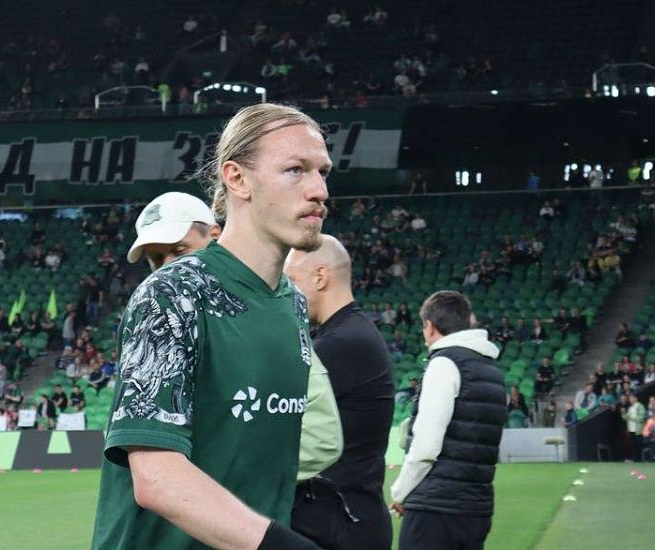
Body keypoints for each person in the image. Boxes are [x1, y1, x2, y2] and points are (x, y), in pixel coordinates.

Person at [91, 103, 332, 549]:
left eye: (323, 172)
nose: (319, 190)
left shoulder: (294, 303)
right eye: (295, 170)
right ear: (237, 179)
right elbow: (157, 476)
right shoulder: (173, 293)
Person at [126, 189, 343, 489]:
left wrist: (220, 487)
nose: (168, 268)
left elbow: (320, 437)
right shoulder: (158, 320)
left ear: (215, 236)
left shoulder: (270, 310)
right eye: (156, 259)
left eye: (179, 251)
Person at [285, 235, 395, 550]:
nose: (286, 292)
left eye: (291, 281)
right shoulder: (354, 333)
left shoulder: (339, 345)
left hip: (338, 524)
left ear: (320, 277)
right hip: (353, 517)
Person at [390, 291, 506, 550]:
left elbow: (426, 447)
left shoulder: (444, 364)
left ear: (430, 327)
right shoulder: (492, 371)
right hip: (477, 508)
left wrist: (400, 492)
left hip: (436, 511)